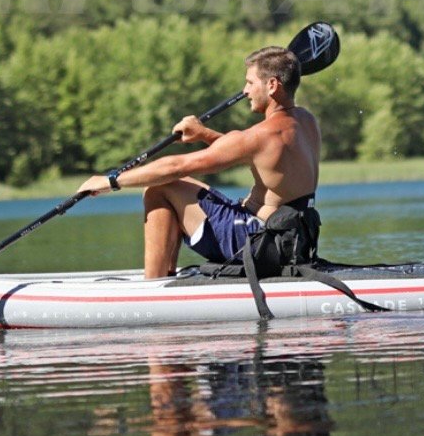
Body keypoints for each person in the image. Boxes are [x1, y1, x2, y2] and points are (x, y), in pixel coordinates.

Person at [78, 45, 321, 279]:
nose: (245, 91)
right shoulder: (306, 121)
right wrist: (204, 134)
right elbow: (257, 153)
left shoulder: (260, 136)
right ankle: (164, 275)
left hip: (258, 241)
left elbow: (176, 166)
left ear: (272, 85)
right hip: (295, 241)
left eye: (249, 82)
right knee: (178, 183)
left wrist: (110, 181)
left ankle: (153, 286)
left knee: (160, 187)